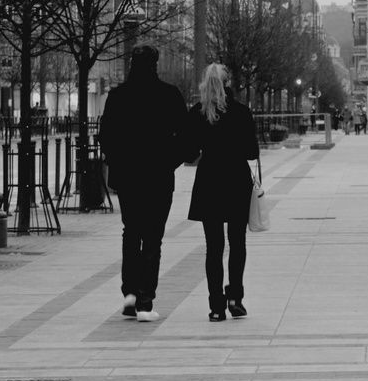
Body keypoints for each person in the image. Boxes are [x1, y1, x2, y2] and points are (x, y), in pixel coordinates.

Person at [99, 45, 192, 322]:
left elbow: (106, 137)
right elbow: (185, 139)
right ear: (156, 64)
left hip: (128, 177)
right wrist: (169, 160)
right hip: (158, 177)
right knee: (153, 238)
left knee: (131, 232)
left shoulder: (117, 96)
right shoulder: (169, 95)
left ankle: (129, 291)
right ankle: (145, 299)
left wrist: (118, 160)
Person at [188, 63, 260, 322]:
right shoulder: (240, 112)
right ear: (228, 82)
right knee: (237, 242)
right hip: (236, 181)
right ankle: (235, 297)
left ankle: (216, 306)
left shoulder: (198, 112)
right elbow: (252, 152)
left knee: (213, 247)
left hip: (209, 182)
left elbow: (189, 152)